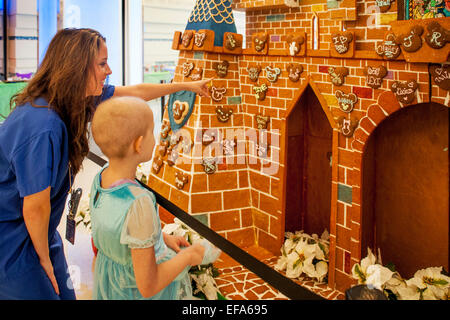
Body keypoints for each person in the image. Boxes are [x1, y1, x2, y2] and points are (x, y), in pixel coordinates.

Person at [0, 28, 210, 300]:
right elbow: (35, 207)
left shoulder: (72, 101)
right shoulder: (43, 126)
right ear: (76, 67)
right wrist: (44, 261)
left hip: (39, 235)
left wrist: (186, 86)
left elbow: (134, 92)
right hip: (14, 243)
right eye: (101, 63)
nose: (108, 70)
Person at [90, 97, 220, 299]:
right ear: (139, 144)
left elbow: (116, 233)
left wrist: (162, 238)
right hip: (132, 291)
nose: (157, 137)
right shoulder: (138, 202)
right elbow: (149, 285)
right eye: (152, 130)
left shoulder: (101, 178)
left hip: (111, 284)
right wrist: (188, 256)